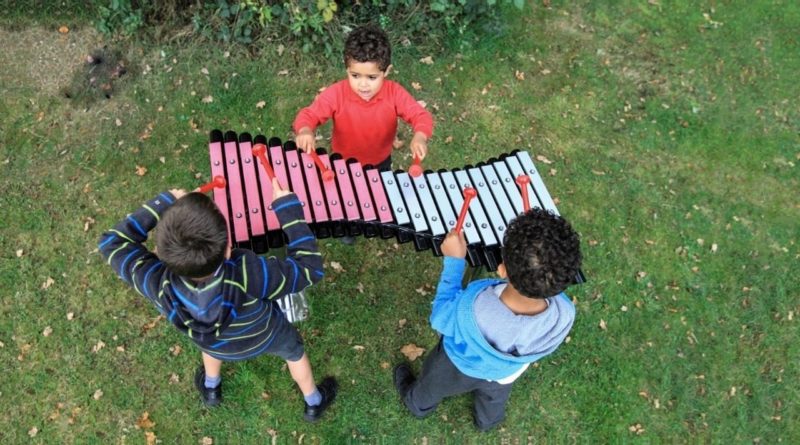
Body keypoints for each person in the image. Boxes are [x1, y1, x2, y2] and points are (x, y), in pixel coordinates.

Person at [98, 178, 337, 422]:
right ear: (228, 247)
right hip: (268, 335)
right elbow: (310, 269)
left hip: (213, 342)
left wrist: (165, 200)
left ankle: (211, 388)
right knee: (294, 353)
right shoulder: (247, 273)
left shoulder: (157, 283)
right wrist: (289, 212)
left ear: (159, 253)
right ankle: (313, 402)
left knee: (210, 348)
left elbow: (111, 243)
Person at [393, 208, 582, 432]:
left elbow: (441, 317)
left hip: (457, 366)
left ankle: (418, 404)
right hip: (505, 374)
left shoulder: (472, 309)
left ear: (501, 270)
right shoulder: (565, 313)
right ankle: (487, 422)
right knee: (494, 397)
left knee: (432, 384)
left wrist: (454, 262)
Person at [293, 24, 434, 172]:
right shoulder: (336, 93)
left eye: (372, 77)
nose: (363, 85)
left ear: (386, 71)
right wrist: (305, 130)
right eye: (355, 76)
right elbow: (309, 114)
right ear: (347, 68)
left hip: (381, 161)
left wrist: (420, 136)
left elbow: (421, 115)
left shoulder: (394, 93)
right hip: (343, 162)